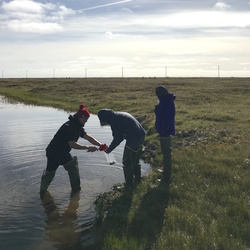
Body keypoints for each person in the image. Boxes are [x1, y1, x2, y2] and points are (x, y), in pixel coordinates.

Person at [40, 104, 104, 197]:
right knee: (72, 166)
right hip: (58, 152)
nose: (86, 121)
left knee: (50, 173)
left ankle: (42, 192)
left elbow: (87, 137)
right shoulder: (70, 127)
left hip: (52, 152)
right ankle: (76, 192)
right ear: (80, 117)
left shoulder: (77, 125)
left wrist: (100, 144)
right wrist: (88, 147)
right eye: (85, 119)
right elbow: (72, 144)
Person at [98, 109, 146, 188]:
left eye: (104, 122)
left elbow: (118, 139)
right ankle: (138, 180)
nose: (106, 124)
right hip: (142, 135)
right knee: (135, 160)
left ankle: (128, 184)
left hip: (133, 139)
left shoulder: (114, 121)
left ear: (106, 118)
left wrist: (109, 150)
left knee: (126, 162)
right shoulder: (118, 115)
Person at [155, 85, 176, 184]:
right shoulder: (167, 101)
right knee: (166, 153)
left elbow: (162, 117)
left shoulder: (165, 103)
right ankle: (165, 172)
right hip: (165, 130)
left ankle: (166, 178)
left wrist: (157, 110)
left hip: (165, 131)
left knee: (166, 154)